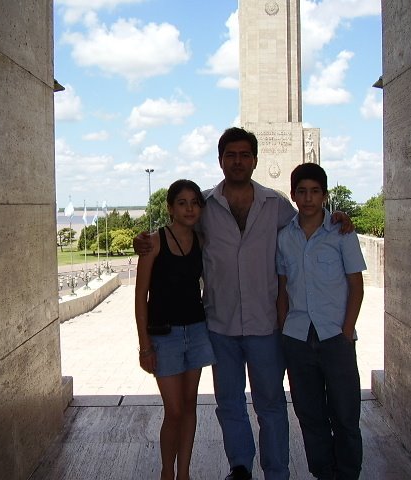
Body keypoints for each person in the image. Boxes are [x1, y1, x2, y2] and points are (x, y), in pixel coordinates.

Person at [134, 127, 353, 480]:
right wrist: (142, 240)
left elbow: (308, 221)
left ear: (254, 160)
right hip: (219, 325)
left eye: (244, 155)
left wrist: (337, 218)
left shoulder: (277, 205)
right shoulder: (205, 206)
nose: (237, 161)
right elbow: (177, 227)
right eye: (230, 155)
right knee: (230, 404)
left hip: (266, 324)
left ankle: (277, 471)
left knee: (271, 405)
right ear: (220, 160)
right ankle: (240, 467)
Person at [276, 163, 365, 480]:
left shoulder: (342, 233)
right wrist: (285, 328)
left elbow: (356, 285)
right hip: (298, 338)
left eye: (315, 191)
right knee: (310, 413)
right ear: (293, 195)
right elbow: (283, 288)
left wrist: (346, 330)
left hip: (335, 338)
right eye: (302, 191)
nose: (309, 198)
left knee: (345, 413)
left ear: (325, 195)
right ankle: (324, 472)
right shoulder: (285, 238)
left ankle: (348, 472)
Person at [135, 179, 216, 480]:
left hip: (196, 331)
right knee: (175, 410)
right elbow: (140, 297)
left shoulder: (201, 241)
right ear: (170, 208)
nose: (189, 208)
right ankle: (167, 471)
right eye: (182, 202)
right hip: (164, 336)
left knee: (191, 407)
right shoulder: (154, 242)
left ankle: (185, 472)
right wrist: (144, 346)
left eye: (194, 202)